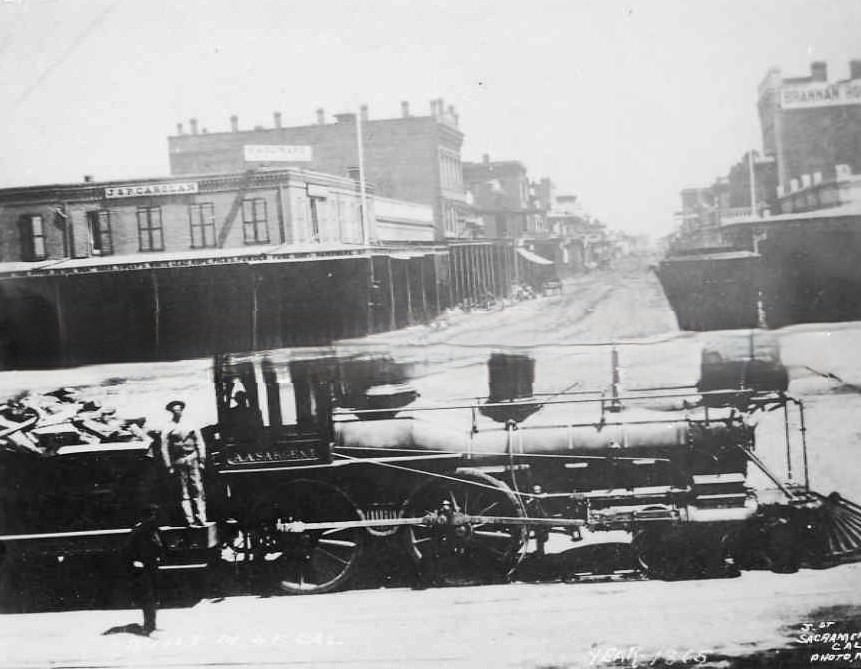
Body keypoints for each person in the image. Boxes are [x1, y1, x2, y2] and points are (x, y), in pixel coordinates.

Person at [160, 400, 207, 526]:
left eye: (179, 409)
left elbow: (199, 442)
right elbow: (164, 447)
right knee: (183, 491)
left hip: (193, 458)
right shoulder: (168, 427)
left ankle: (201, 517)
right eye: (175, 410)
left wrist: (202, 459)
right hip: (179, 461)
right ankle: (189, 519)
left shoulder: (191, 423)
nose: (177, 412)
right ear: (171, 412)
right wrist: (169, 465)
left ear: (182, 410)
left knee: (197, 488)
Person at [125, 504, 164, 635]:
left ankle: (152, 624)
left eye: (154, 515)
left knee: (155, 595)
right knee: (147, 596)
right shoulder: (138, 530)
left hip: (153, 564)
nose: (153, 517)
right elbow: (130, 549)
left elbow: (159, 545)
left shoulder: (154, 529)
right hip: (143, 566)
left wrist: (160, 557)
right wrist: (136, 561)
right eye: (151, 515)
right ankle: (149, 625)